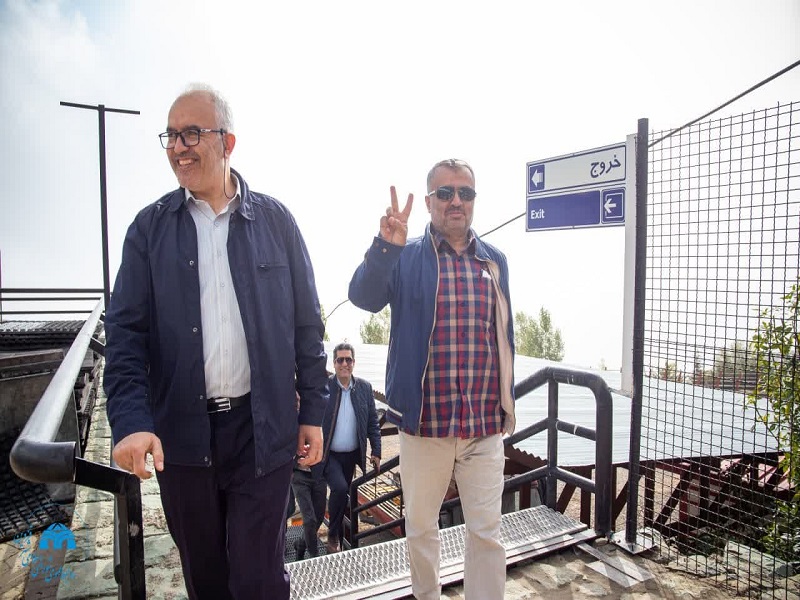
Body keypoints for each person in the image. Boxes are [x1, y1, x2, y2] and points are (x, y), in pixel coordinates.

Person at [104, 83, 328, 600]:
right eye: (171, 136)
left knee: (259, 579)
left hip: (263, 431)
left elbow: (306, 326)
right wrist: (132, 422)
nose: (178, 147)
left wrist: (313, 410)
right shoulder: (148, 230)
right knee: (206, 580)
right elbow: (126, 335)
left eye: (192, 133)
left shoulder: (277, 222)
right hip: (182, 438)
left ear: (227, 142)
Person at [348, 159, 515, 599]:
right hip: (424, 426)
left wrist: (507, 404)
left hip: (482, 428)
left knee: (487, 534)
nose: (456, 201)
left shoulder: (495, 262)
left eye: (465, 193)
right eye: (445, 193)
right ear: (428, 202)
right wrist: (385, 248)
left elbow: (503, 338)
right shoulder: (405, 256)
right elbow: (362, 296)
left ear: (474, 200)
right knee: (421, 530)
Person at [322, 342, 382, 553]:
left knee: (342, 495)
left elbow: (373, 423)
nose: (344, 364)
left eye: (348, 359)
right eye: (340, 360)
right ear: (334, 363)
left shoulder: (364, 388)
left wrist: (376, 451)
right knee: (339, 488)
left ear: (354, 363)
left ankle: (338, 538)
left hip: (351, 456)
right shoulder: (325, 387)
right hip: (330, 455)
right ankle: (332, 536)